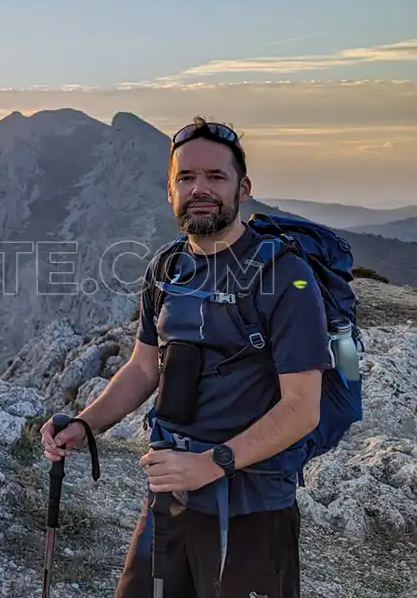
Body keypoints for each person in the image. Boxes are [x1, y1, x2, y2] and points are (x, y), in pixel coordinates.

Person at [40, 117, 331, 598]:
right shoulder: (167, 268)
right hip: (170, 495)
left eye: (216, 177)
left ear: (244, 188)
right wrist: (86, 424)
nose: (200, 188)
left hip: (253, 504)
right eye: (186, 177)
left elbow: (303, 406)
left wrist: (213, 463)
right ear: (169, 191)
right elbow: (141, 367)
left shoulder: (285, 276)